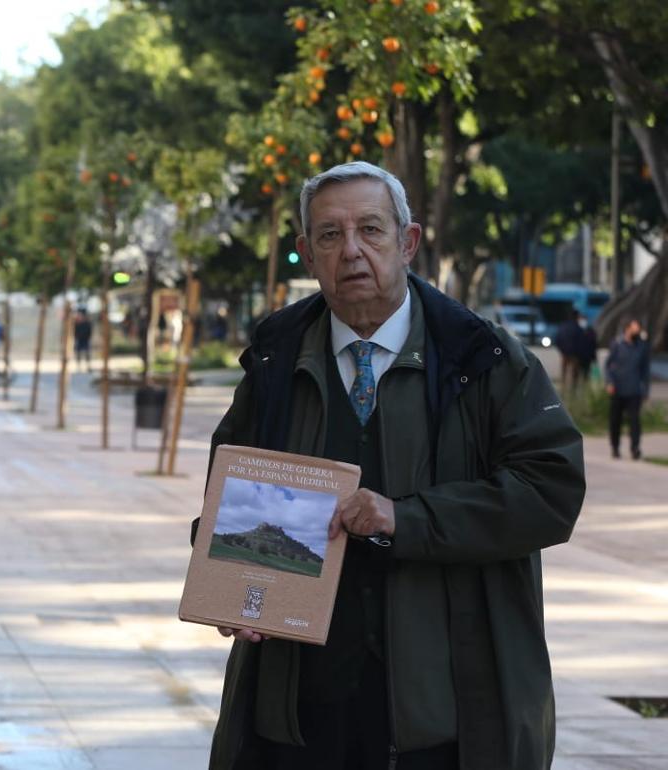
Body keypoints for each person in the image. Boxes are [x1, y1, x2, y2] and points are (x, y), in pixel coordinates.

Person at [204, 162, 584, 770]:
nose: (351, 250)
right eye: (329, 235)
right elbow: (228, 493)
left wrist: (407, 519)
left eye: (371, 230)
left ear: (406, 243)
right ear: (305, 251)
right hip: (298, 716)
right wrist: (225, 578)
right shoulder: (275, 362)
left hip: (445, 716)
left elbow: (550, 491)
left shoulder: (482, 359)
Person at [605, 317, 651, 460]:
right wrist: (610, 382)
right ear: (627, 329)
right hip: (617, 390)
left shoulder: (641, 347)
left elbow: (645, 370)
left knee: (635, 421)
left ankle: (635, 448)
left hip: (634, 390)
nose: (637, 330)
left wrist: (645, 390)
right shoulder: (617, 344)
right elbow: (608, 366)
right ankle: (615, 447)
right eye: (635, 327)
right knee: (615, 421)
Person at [555, 309, 582, 392]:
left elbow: (557, 339)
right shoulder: (577, 328)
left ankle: (563, 389)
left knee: (564, 372)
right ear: (576, 317)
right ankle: (573, 390)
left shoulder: (563, 326)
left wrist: (562, 350)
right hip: (575, 354)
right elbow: (581, 342)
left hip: (564, 353)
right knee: (574, 374)